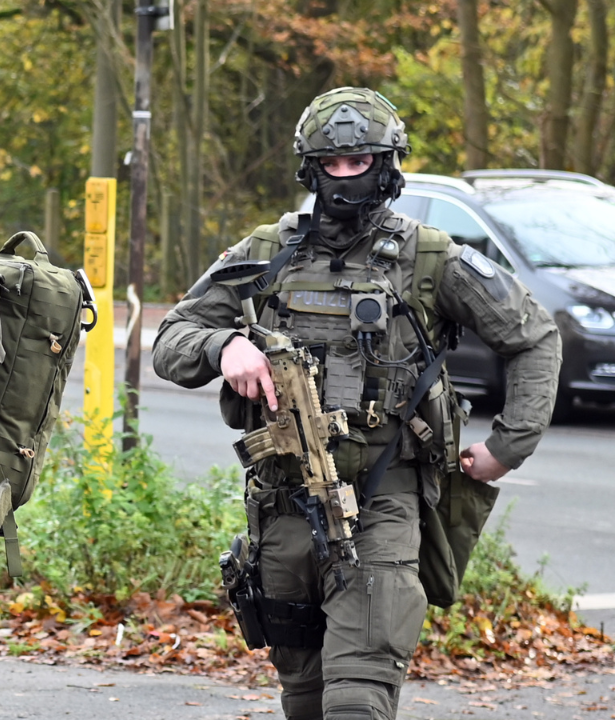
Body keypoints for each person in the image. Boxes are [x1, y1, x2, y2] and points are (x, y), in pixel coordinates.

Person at [153, 87, 562, 720]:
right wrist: (224, 343)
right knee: (306, 701)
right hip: (282, 510)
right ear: (311, 168)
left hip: (382, 507)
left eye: (361, 162)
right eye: (332, 164)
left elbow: (534, 336)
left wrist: (508, 448)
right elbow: (170, 342)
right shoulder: (269, 250)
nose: (345, 176)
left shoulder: (431, 258)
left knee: (357, 701)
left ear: (388, 164)